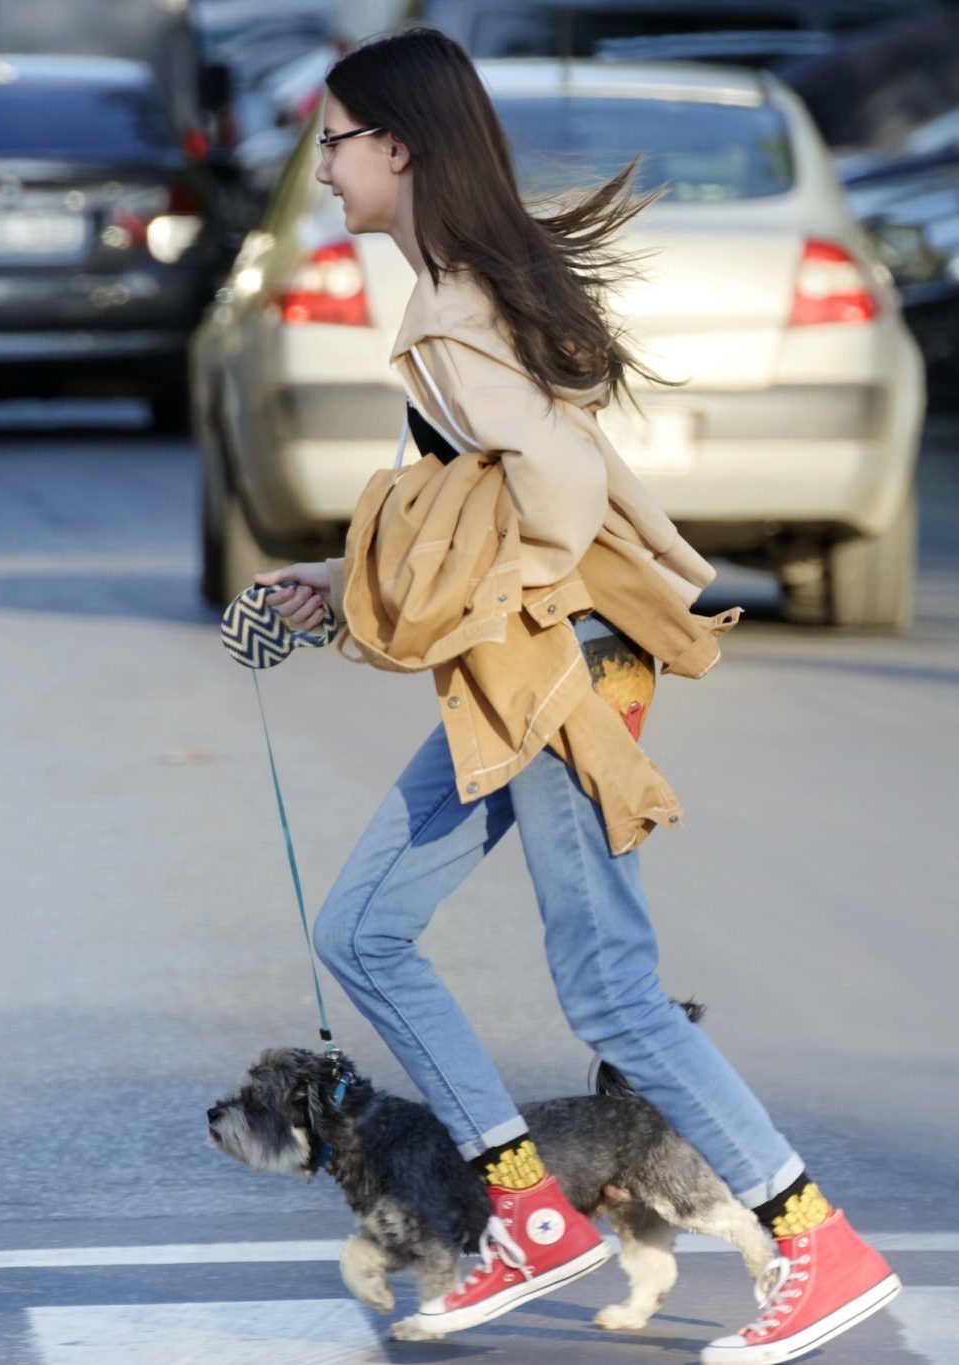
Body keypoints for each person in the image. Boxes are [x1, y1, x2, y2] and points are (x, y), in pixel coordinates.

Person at [253, 27, 900, 1365]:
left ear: (397, 146)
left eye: (333, 145)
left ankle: (814, 1242)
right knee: (366, 928)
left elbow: (551, 492)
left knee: (608, 990)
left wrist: (508, 602)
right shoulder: (460, 291)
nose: (321, 173)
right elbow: (479, 487)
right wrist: (344, 572)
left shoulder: (448, 306)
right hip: (545, 651)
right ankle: (529, 1210)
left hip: (558, 658)